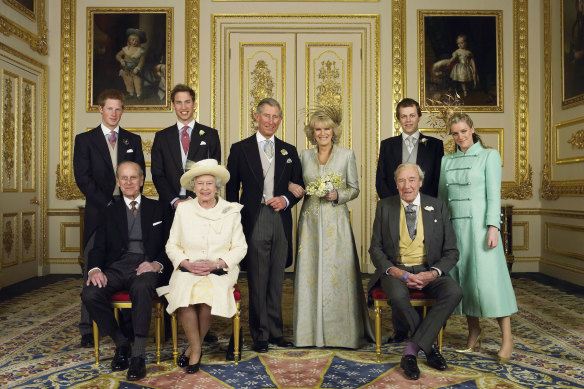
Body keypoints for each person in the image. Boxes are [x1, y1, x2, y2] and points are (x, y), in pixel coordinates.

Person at [368, 163, 462, 381]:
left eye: (411, 180)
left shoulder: (436, 206)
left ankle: (410, 351)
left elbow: (451, 251)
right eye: (401, 181)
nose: (406, 186)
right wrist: (395, 271)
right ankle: (429, 349)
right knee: (398, 297)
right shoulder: (385, 206)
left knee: (454, 292)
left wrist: (433, 273)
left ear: (420, 182)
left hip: (429, 270)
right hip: (396, 270)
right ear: (396, 184)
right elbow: (375, 249)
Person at [288, 106, 372, 348]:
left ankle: (342, 335)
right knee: (309, 273)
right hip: (310, 222)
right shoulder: (303, 156)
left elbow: (354, 189)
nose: (322, 133)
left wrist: (338, 194)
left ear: (334, 131)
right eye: (318, 129)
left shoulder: (346, 155)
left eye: (326, 129)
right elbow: (293, 181)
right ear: (312, 132)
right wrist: (294, 186)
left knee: (339, 273)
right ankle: (308, 334)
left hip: (337, 222)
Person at [226, 98, 304, 353]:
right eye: (266, 116)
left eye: (276, 117)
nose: (271, 121)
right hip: (254, 217)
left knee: (277, 278)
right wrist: (234, 223)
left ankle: (276, 332)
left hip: (280, 219)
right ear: (257, 117)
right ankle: (259, 334)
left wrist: (286, 199)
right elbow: (230, 191)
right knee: (258, 279)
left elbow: (298, 186)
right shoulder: (240, 149)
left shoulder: (289, 150)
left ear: (280, 120)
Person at [438, 113, 517, 364]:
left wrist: (493, 227)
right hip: (454, 229)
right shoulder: (446, 161)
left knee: (490, 283)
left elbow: (494, 195)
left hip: (481, 229)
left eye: (463, 131)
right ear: (451, 135)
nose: (460, 137)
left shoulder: (489, 156)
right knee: (463, 281)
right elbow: (441, 199)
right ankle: (474, 331)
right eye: (455, 133)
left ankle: (507, 338)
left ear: (472, 129)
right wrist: (440, 231)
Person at [81, 161, 171, 381]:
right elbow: (98, 246)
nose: (129, 182)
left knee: (142, 288)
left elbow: (169, 244)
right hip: (116, 266)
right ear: (118, 183)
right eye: (124, 178)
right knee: (90, 294)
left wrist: (156, 264)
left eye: (133, 177)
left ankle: (138, 355)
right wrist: (94, 270)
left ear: (142, 180)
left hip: (146, 265)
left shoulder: (159, 208)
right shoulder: (108, 210)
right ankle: (121, 344)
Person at [157, 159, 247, 374]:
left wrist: (218, 263)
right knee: (184, 298)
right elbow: (172, 245)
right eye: (200, 184)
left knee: (206, 296)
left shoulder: (231, 210)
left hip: (220, 269)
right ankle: (196, 348)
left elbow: (240, 247)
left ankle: (192, 351)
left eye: (209, 183)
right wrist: (185, 263)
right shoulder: (183, 210)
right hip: (189, 267)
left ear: (216, 186)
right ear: (193, 187)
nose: (205, 188)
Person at [73, 89, 145, 348]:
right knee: (93, 268)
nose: (114, 113)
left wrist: (126, 203)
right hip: (99, 212)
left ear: (122, 111)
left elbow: (139, 174)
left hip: (127, 211)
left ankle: (126, 324)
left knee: (124, 264)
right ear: (100, 110)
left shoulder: (132, 140)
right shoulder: (85, 140)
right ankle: (87, 328)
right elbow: (82, 177)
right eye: (109, 108)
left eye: (118, 109)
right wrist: (108, 203)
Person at [375, 97, 444, 342]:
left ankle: (423, 327)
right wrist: (397, 206)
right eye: (403, 116)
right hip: (396, 211)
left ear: (418, 117)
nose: (407, 120)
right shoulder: (388, 144)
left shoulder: (435, 145)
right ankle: (401, 331)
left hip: (424, 210)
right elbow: (381, 180)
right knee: (397, 264)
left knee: (423, 266)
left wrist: (421, 205)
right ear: (398, 119)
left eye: (412, 115)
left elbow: (435, 181)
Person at [151, 84, 221, 211]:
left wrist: (192, 198)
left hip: (201, 204)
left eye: (187, 102)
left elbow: (213, 171)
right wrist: (174, 201)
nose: (183, 107)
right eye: (179, 102)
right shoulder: (161, 137)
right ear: (173, 106)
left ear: (194, 104)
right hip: (169, 206)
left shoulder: (211, 135)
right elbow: (157, 174)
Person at [115, 28, 147, 100]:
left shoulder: (141, 51)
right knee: (128, 81)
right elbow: (117, 55)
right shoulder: (126, 49)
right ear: (129, 40)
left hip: (135, 70)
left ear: (139, 42)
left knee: (137, 82)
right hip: (126, 69)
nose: (134, 42)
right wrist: (122, 61)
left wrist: (137, 68)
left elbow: (142, 61)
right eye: (132, 40)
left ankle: (139, 95)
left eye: (136, 41)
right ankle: (131, 93)